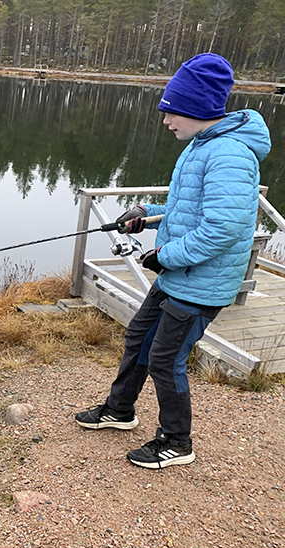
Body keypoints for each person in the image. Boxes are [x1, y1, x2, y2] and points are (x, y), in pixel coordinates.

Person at [75, 53, 271, 469]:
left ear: (197, 109)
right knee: (138, 339)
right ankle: (118, 411)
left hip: (202, 284)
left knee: (165, 358)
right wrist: (146, 215)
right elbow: (188, 208)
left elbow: (223, 228)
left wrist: (166, 256)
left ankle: (177, 441)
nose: (166, 121)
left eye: (172, 112)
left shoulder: (230, 155)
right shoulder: (204, 144)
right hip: (179, 276)